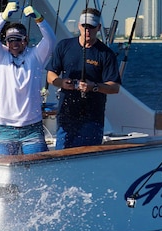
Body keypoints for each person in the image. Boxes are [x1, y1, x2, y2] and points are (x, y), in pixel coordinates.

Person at [0, 2, 56, 155]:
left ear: (26, 40)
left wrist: (39, 19)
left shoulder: (36, 56)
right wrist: (3, 17)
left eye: (18, 39)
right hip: (5, 128)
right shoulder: (0, 56)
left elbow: (50, 39)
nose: (14, 43)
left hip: (32, 129)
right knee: (1, 166)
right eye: (10, 39)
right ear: (6, 42)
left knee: (36, 170)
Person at [46, 8, 121, 150]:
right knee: (62, 155)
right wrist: (62, 83)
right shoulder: (64, 46)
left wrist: (94, 87)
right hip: (66, 116)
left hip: (92, 118)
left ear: (98, 28)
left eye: (91, 27)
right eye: (85, 26)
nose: (87, 30)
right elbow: (50, 75)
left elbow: (114, 87)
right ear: (79, 25)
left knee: (89, 158)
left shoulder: (106, 54)